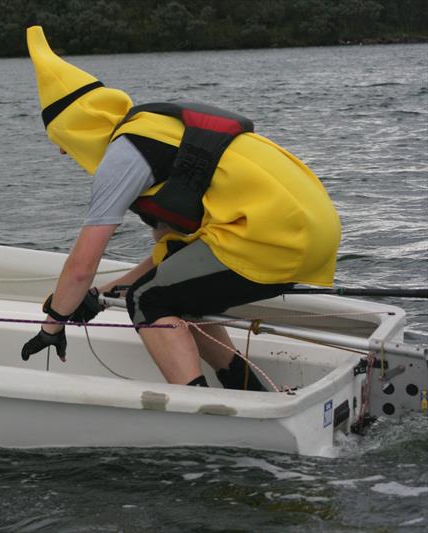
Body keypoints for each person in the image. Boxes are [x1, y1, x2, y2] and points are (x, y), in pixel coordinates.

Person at [19, 26, 341, 389]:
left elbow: (81, 266)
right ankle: (248, 392)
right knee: (172, 293)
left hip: (271, 239)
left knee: (149, 299)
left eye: (60, 140)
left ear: (75, 129)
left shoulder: (123, 157)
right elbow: (171, 258)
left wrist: (53, 324)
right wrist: (101, 294)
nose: (63, 152)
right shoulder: (158, 129)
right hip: (313, 228)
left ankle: (200, 412)